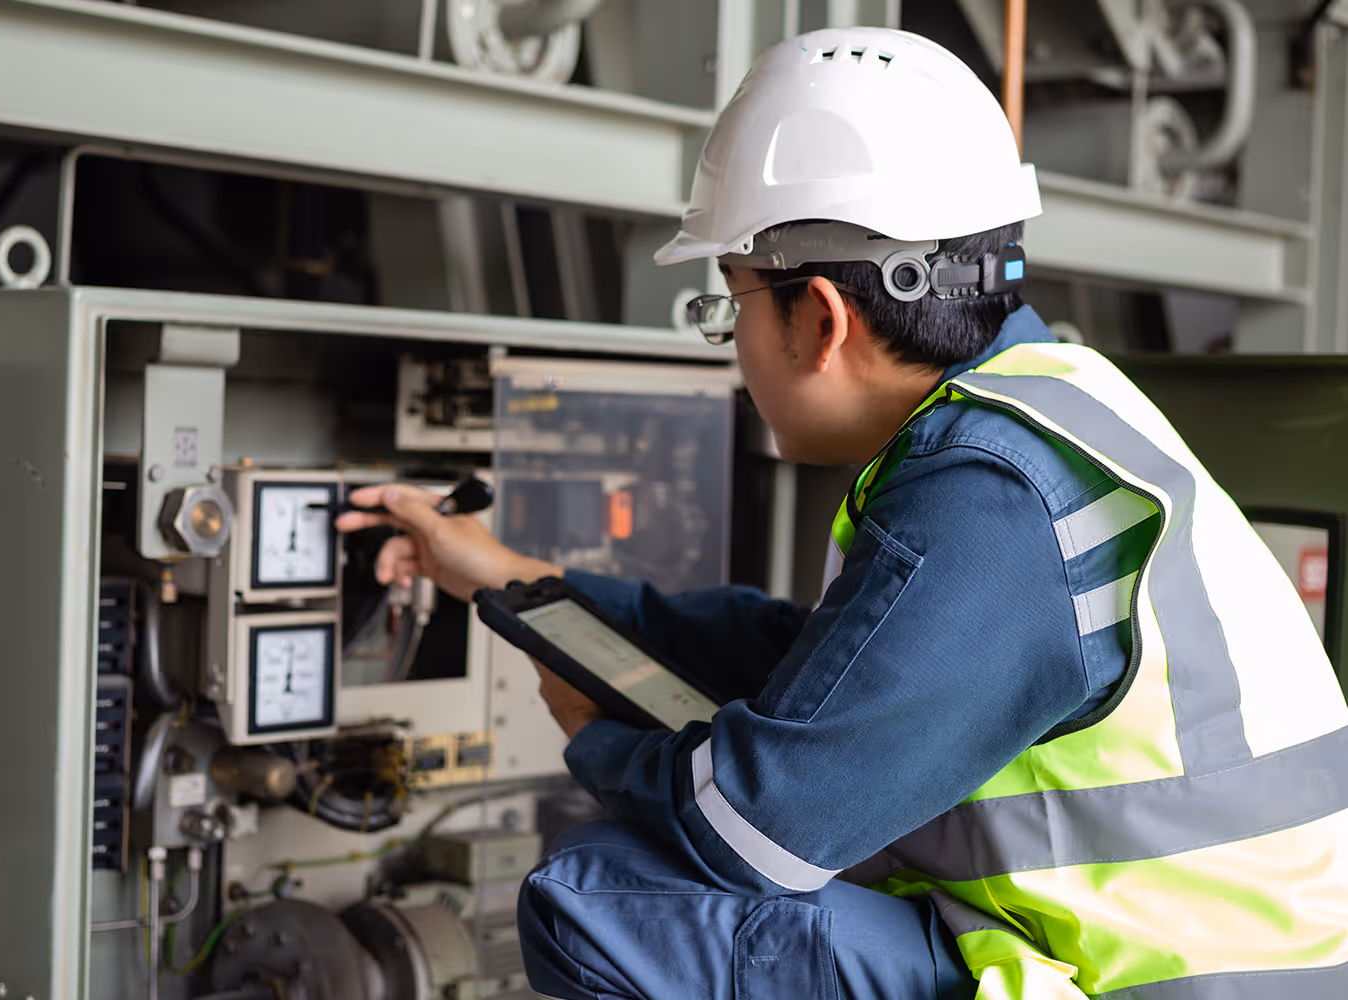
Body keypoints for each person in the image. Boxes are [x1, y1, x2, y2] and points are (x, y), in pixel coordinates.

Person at [338, 26, 1348, 1000]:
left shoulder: (992, 499)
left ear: (818, 318)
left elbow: (753, 833)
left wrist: (592, 734)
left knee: (596, 901)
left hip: (1147, 987)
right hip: (1184, 959)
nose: (730, 342)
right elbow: (819, 663)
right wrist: (495, 575)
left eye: (728, 305)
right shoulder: (1048, 407)